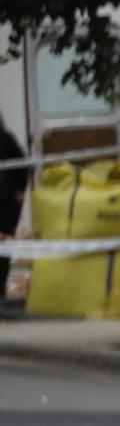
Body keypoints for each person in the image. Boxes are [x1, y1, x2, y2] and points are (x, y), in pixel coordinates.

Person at [0, 113, 25, 300]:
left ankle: (0, 290)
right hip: (7, 202)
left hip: (5, 205)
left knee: (3, 249)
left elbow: (23, 166)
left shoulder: (6, 140)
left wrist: (18, 194)